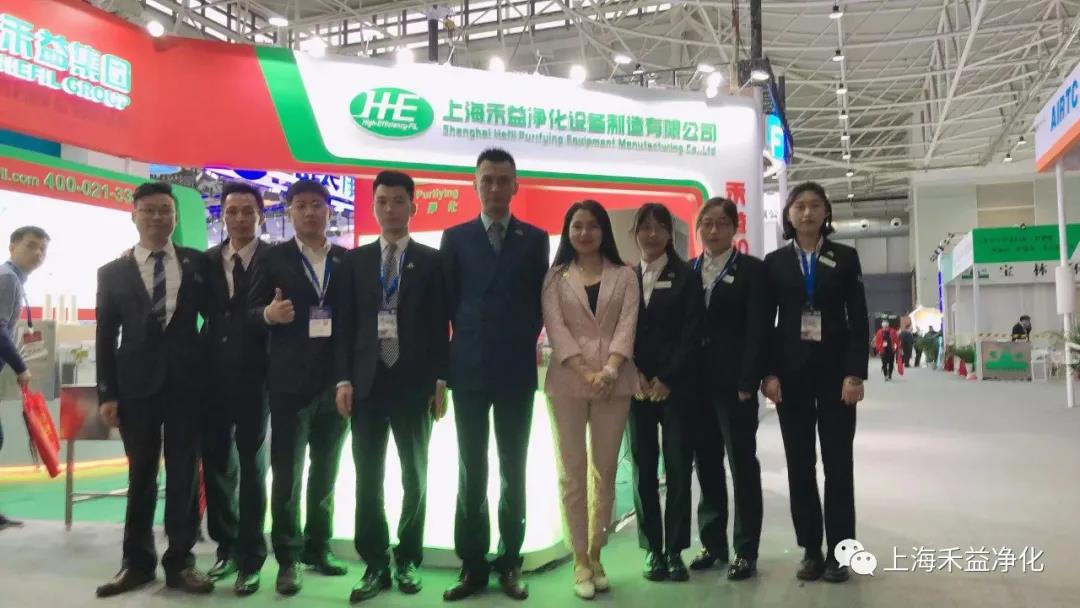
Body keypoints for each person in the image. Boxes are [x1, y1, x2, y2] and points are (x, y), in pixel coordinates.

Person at [334, 171, 450, 603]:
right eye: (382, 201)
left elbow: (441, 325)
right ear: (373, 207)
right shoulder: (355, 262)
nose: (389, 208)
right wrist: (343, 379)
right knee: (367, 477)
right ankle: (375, 562)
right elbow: (345, 325)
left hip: (414, 384)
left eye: (398, 201)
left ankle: (408, 557)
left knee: (414, 475)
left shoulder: (432, 261)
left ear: (413, 207)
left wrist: (441, 379)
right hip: (366, 383)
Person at [95, 182, 214, 597]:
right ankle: (137, 563)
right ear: (134, 215)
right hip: (136, 389)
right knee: (141, 474)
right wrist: (107, 393)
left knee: (184, 475)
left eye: (165, 210)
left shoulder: (198, 263)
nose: (158, 217)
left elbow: (216, 318)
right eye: (149, 210)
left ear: (175, 216)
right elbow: (105, 336)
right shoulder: (112, 272)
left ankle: (181, 561)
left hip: (187, 387)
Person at [440, 148, 549, 602]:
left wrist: (519, 339)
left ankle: (510, 560)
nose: (495, 188)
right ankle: (472, 564)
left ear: (515, 186)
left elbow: (538, 303)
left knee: (513, 467)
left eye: (504, 180)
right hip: (468, 368)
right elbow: (447, 304)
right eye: (487, 179)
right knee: (471, 467)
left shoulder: (535, 239)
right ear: (475, 184)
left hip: (515, 370)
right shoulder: (456, 237)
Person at [760, 181, 869, 584]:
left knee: (839, 465)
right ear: (788, 215)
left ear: (826, 212)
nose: (807, 213)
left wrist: (855, 373)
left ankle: (840, 553)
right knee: (800, 464)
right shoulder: (774, 263)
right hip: (791, 376)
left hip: (837, 374)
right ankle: (810, 549)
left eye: (814, 206)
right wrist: (768, 373)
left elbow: (859, 319)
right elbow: (765, 324)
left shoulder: (845, 258)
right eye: (799, 206)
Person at [248, 179, 349, 596]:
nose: (309, 212)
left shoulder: (345, 260)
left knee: (326, 470)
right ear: (289, 212)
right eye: (301, 205)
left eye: (316, 205)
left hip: (335, 383)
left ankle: (318, 547)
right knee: (287, 474)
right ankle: (288, 558)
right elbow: (248, 310)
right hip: (289, 384)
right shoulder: (272, 258)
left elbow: (352, 321)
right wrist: (267, 315)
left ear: (329, 211)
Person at [541, 200, 639, 599]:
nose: (585, 233)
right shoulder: (555, 277)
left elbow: (627, 325)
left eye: (593, 226)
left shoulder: (625, 275)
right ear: (568, 231)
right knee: (572, 472)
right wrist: (586, 372)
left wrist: (611, 369)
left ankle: (597, 551)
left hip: (615, 382)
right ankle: (579, 558)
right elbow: (556, 328)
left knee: (605, 471)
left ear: (604, 231)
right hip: (568, 381)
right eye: (577, 226)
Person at [689, 198, 767, 582]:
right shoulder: (688, 270)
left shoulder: (751, 270)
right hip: (696, 385)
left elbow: (758, 329)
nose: (713, 230)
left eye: (721, 223)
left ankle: (746, 549)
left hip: (735, 386)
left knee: (742, 465)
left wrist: (748, 380)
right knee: (706, 465)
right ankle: (713, 543)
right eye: (707, 223)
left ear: (734, 228)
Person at [200, 182, 271, 595]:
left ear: (260, 215)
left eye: (248, 211)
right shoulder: (206, 261)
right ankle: (225, 547)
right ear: (222, 215)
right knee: (216, 462)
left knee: (252, 465)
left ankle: (251, 556)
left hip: (256, 375)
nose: (240, 219)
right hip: (210, 375)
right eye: (232, 211)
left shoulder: (275, 258)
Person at [625, 204, 702, 583]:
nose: (651, 234)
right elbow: (618, 330)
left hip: (676, 389)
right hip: (635, 388)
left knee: (677, 470)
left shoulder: (686, 276)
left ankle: (674, 551)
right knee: (642, 470)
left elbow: (692, 332)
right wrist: (634, 374)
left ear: (670, 234)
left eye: (659, 227)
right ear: (635, 233)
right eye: (645, 227)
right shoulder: (625, 277)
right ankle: (652, 549)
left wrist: (667, 378)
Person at [0, 226, 49, 531]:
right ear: (12, 246)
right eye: (31, 246)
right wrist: (21, 367)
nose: (38, 253)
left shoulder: (14, 279)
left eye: (43, 249)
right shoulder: (8, 279)